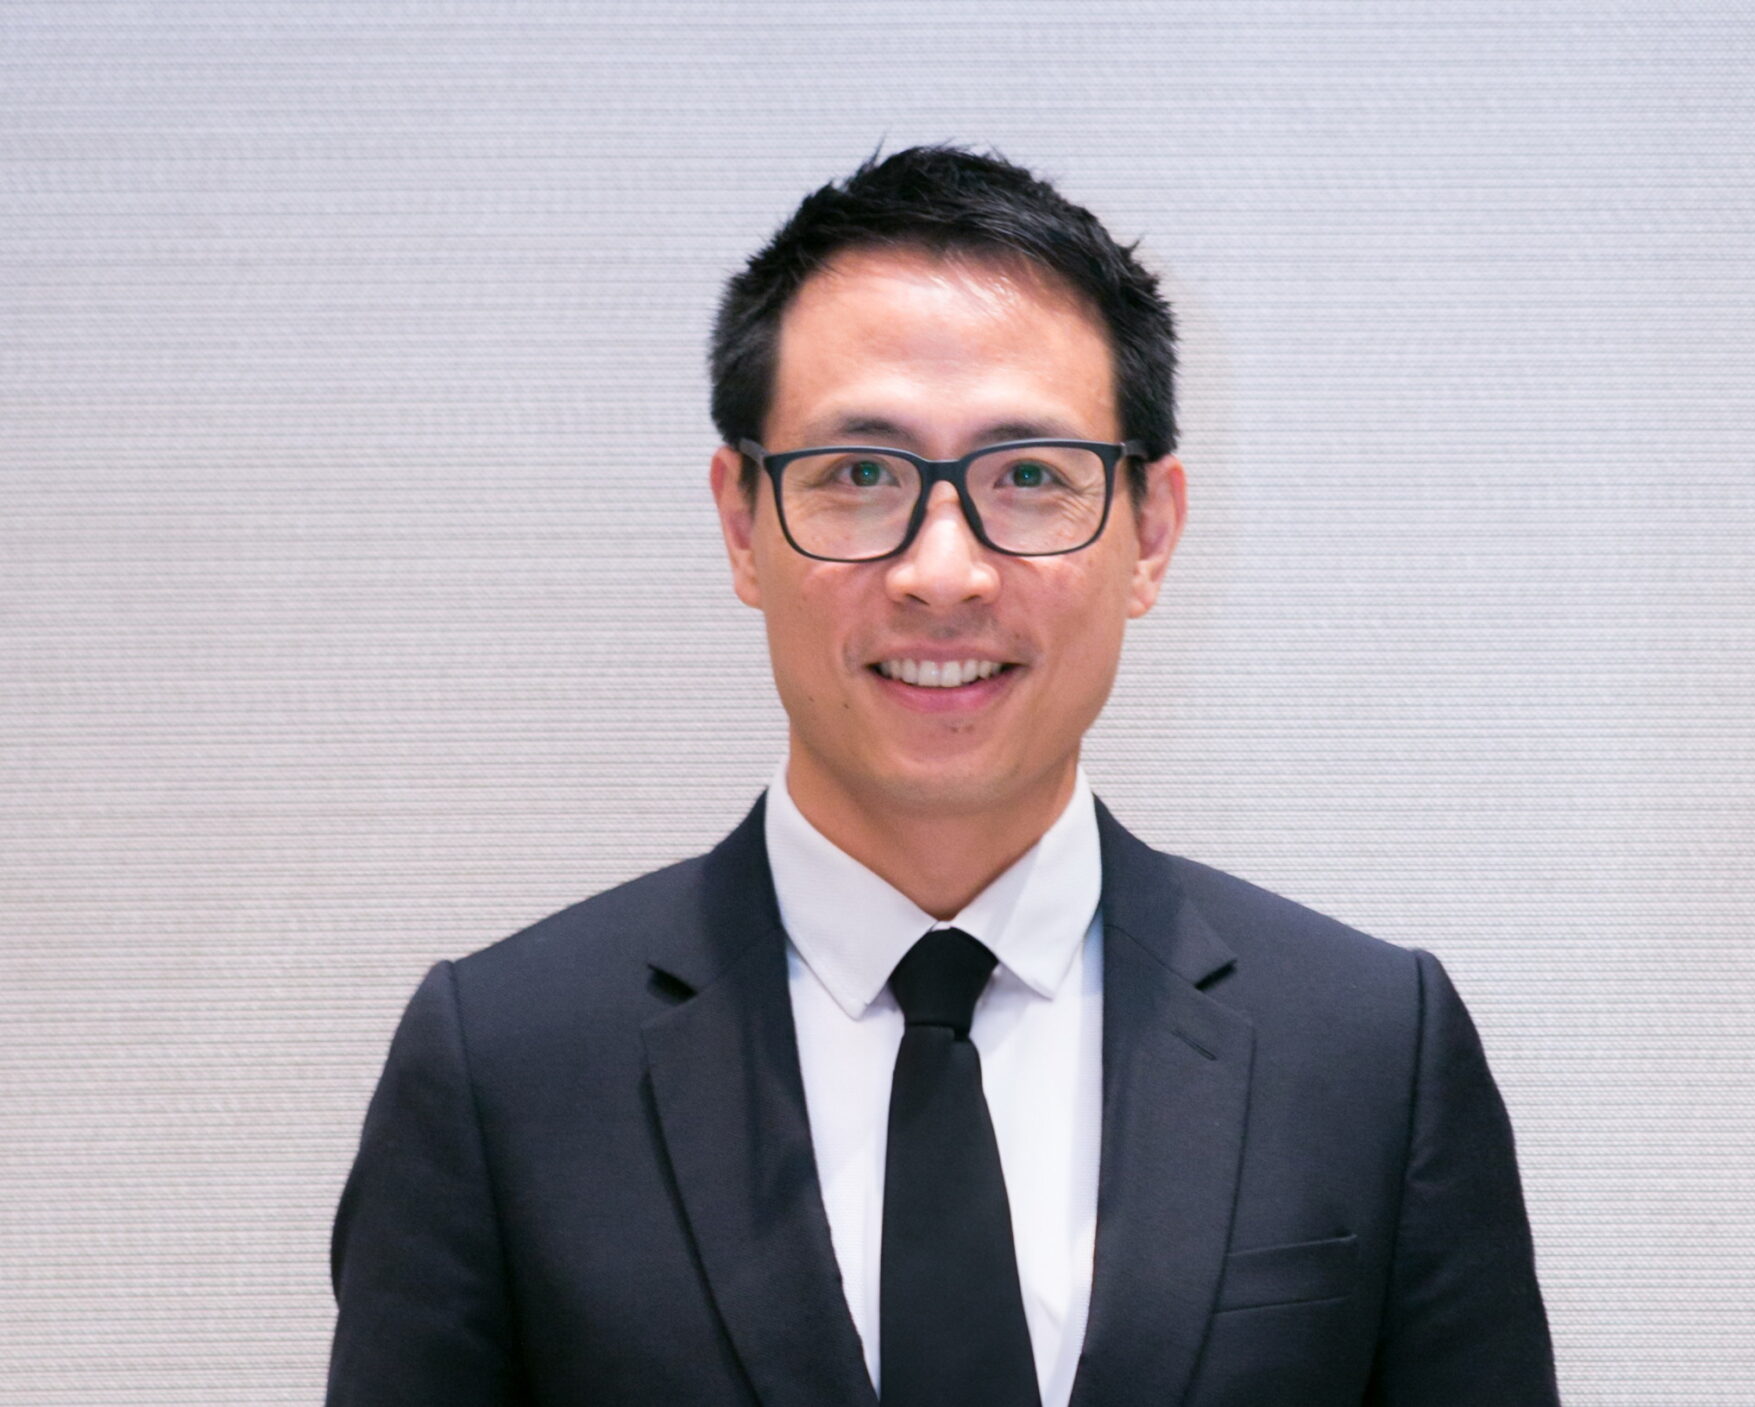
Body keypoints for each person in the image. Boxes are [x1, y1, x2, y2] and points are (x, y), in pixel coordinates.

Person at [326, 145, 1558, 1407]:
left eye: (1030, 477)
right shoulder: (504, 1067)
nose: (943, 574)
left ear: (1151, 531)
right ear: (742, 522)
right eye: (861, 476)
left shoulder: (1369, 1052)